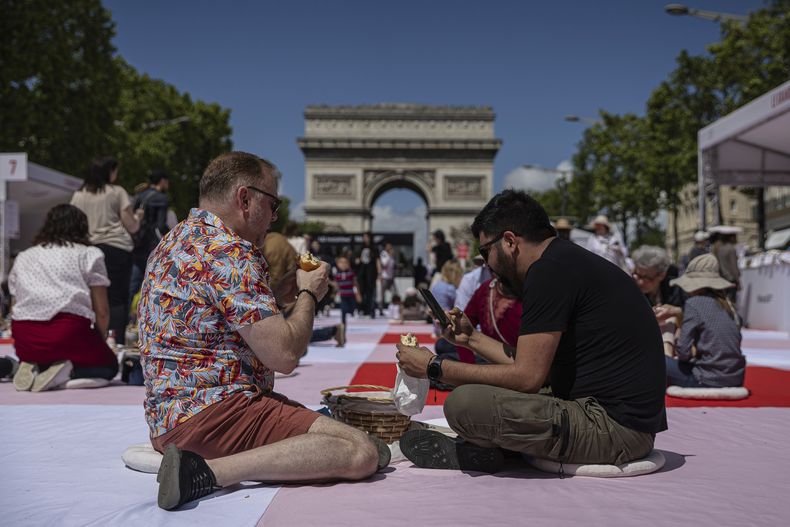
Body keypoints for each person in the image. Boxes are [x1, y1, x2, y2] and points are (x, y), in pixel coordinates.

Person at [138, 152, 382, 510]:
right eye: (273, 204)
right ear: (245, 198)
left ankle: (197, 464)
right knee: (361, 452)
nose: (274, 216)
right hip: (214, 418)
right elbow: (284, 356)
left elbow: (221, 310)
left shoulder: (175, 241)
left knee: (363, 442)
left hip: (169, 418)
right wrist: (307, 294)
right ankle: (205, 473)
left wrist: (279, 291)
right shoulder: (230, 252)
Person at [396, 190, 666, 473]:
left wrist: (434, 367)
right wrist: (471, 338)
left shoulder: (547, 272)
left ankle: (488, 447)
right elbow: (535, 370)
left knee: (464, 404)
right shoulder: (562, 261)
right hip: (613, 415)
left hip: (614, 429)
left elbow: (527, 378)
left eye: (485, 251)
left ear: (510, 241)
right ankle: (492, 449)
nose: (486, 264)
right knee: (482, 389)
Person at [9, 204, 118, 392]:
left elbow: (15, 302)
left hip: (24, 335)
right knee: (107, 367)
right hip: (67, 331)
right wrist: (98, 341)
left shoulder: (24, 256)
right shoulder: (89, 254)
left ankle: (37, 366)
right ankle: (64, 377)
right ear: (82, 227)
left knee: (49, 354)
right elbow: (102, 311)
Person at [71, 156, 142, 345]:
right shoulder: (116, 192)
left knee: (88, 297)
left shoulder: (79, 195)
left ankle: (90, 339)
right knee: (117, 299)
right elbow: (131, 226)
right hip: (116, 248)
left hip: (87, 250)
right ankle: (115, 342)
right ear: (109, 171)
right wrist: (138, 217)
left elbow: (73, 223)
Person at [664, 254, 745, 388]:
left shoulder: (694, 303)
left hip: (706, 378)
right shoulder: (729, 306)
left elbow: (683, 353)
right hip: (735, 378)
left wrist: (676, 337)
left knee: (654, 361)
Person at [631, 246, 685, 357]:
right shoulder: (630, 289)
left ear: (661, 275)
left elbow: (693, 315)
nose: (640, 282)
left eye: (646, 277)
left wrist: (676, 311)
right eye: (637, 275)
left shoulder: (675, 288)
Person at [454, 278, 522, 365]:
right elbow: (462, 331)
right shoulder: (485, 289)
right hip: (488, 362)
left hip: (520, 365)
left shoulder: (532, 292)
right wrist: (470, 368)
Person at [129, 169, 170, 304]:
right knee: (155, 286)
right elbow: (161, 225)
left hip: (136, 242)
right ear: (162, 181)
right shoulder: (162, 198)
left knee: (132, 285)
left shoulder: (140, 195)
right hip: (151, 246)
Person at [710, 226, 741, 303]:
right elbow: (734, 266)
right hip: (731, 279)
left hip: (723, 278)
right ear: (731, 237)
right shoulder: (731, 249)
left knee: (725, 302)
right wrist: (738, 280)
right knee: (732, 302)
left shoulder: (720, 249)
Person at [333, 256, 361, 326]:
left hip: (351, 295)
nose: (343, 264)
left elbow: (355, 284)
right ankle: (343, 324)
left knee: (352, 308)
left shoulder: (351, 273)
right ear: (337, 264)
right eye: (341, 263)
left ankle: (352, 312)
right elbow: (336, 285)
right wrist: (334, 293)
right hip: (343, 295)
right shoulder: (337, 275)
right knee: (343, 310)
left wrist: (358, 294)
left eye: (345, 262)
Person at [355, 233, 377, 318]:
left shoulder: (374, 248)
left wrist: (379, 273)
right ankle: (362, 309)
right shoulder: (360, 247)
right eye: (364, 237)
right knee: (361, 290)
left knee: (370, 292)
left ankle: (370, 311)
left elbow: (377, 260)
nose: (365, 239)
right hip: (362, 271)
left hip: (371, 272)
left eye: (366, 237)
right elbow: (356, 259)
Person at [378, 243, 396, 315]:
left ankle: (395, 309)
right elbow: (384, 264)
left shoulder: (391, 256)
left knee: (394, 293)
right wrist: (389, 256)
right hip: (384, 277)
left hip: (391, 277)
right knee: (382, 295)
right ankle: (380, 309)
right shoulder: (384, 254)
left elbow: (392, 266)